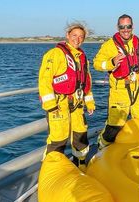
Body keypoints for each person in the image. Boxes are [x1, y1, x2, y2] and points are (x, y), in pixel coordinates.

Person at [38, 21, 95, 171]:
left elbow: (85, 82)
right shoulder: (55, 54)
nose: (77, 39)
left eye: (81, 37)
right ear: (67, 35)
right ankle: (51, 170)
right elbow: (44, 81)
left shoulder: (82, 57)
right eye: (74, 35)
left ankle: (81, 164)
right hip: (59, 106)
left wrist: (90, 103)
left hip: (77, 105)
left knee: (80, 136)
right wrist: (51, 106)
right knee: (58, 139)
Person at [93, 14, 139, 149]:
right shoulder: (109, 45)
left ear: (132, 26)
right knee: (113, 129)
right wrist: (111, 62)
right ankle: (101, 146)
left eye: (128, 26)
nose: (125, 29)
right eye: (122, 27)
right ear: (117, 27)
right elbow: (96, 64)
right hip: (119, 95)